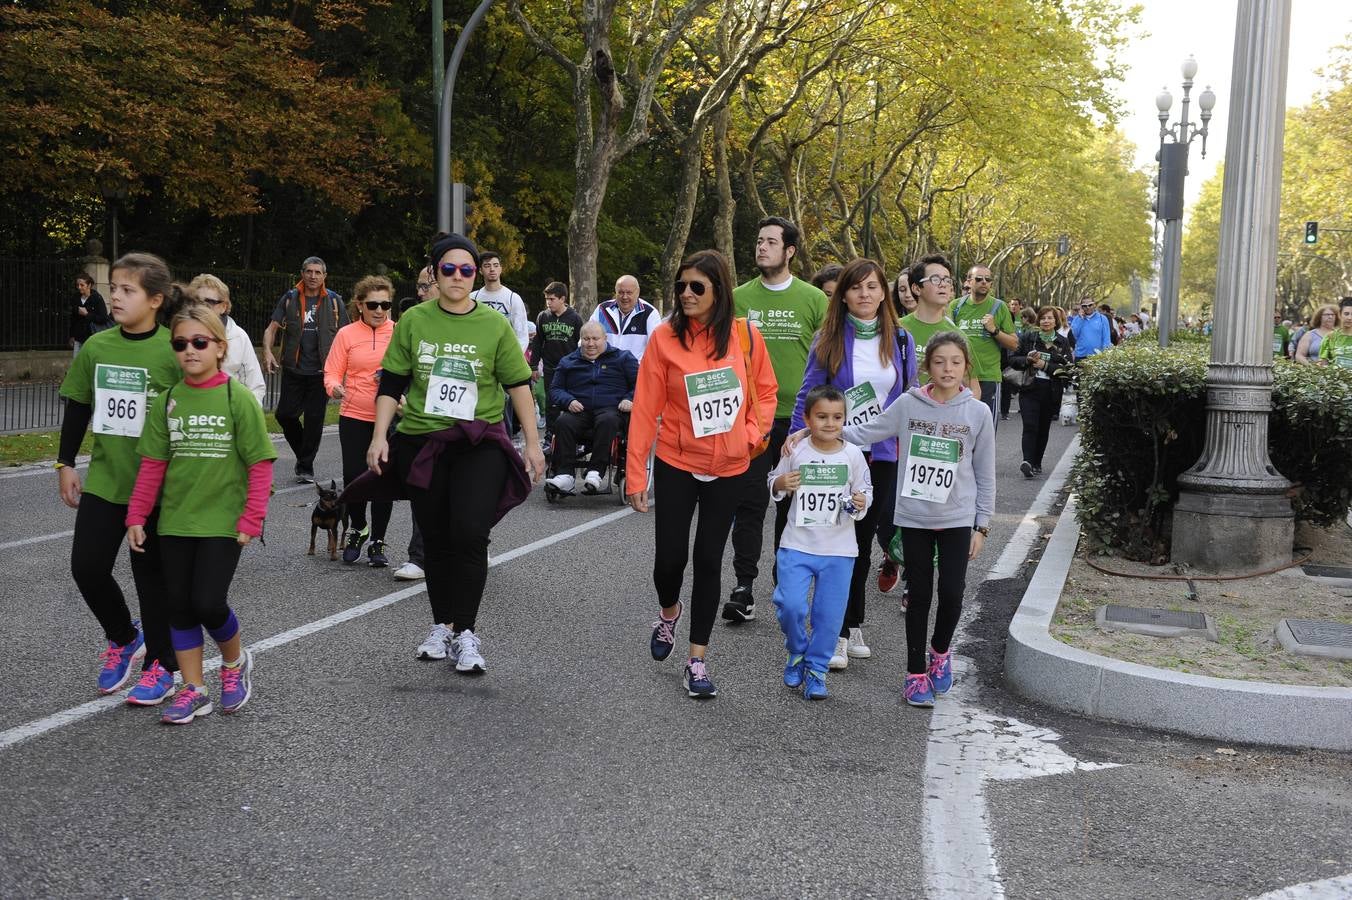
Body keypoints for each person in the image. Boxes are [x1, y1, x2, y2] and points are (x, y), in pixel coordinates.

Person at [365, 233, 545, 671]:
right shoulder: (413, 321)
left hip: (477, 442)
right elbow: (392, 382)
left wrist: (533, 443)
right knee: (437, 539)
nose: (459, 276)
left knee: (469, 533)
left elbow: (518, 384)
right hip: (424, 443)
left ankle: (466, 632)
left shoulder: (493, 324)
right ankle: (441, 626)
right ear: (434, 273)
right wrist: (379, 435)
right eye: (449, 269)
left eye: (468, 269)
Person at [626, 249, 777, 699]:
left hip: (731, 465)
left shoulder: (746, 336)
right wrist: (637, 475)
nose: (686, 294)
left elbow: (766, 392)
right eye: (681, 286)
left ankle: (697, 661)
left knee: (710, 561)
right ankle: (668, 613)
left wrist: (751, 435)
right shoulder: (664, 340)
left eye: (697, 287)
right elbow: (646, 408)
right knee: (669, 560)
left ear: (719, 291)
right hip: (677, 461)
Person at [126, 302, 276, 724]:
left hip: (223, 523)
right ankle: (194, 689)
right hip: (176, 522)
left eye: (199, 342)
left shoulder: (238, 398)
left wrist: (252, 518)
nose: (189, 350)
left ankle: (234, 663)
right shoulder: (169, 401)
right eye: (180, 343)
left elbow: (260, 464)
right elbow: (153, 465)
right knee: (179, 606)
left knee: (208, 602)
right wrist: (136, 516)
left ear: (219, 348)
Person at [841, 331, 995, 708]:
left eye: (955, 362)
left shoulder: (978, 412)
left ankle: (940, 653)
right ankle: (914, 673)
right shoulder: (908, 405)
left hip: (958, 517)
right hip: (914, 517)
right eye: (940, 361)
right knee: (919, 595)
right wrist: (816, 432)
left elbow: (985, 472)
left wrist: (982, 525)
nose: (947, 369)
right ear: (927, 366)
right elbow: (867, 431)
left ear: (965, 367)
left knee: (954, 592)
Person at [57, 252, 182, 703]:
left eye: (128, 290)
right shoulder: (97, 346)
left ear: (155, 299)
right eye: (114, 288)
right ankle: (123, 637)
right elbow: (78, 406)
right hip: (107, 481)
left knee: (152, 581)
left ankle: (161, 666)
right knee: (86, 567)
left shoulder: (174, 349)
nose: (116, 296)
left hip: (155, 489)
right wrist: (65, 462)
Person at [791, 258, 915, 669]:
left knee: (862, 542)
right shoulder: (828, 338)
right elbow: (808, 392)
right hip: (838, 453)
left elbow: (910, 397)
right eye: (857, 287)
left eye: (873, 287)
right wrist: (796, 437)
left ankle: (852, 622)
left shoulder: (900, 339)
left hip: (882, 455)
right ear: (843, 294)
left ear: (885, 293)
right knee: (840, 541)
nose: (865, 294)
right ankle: (838, 633)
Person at [726, 216, 827, 623]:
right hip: (752, 420)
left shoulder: (814, 300)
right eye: (758, 240)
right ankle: (743, 587)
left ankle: (784, 581)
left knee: (792, 508)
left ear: (789, 251)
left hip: (800, 423)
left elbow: (827, 359)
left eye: (771, 241)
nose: (761, 247)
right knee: (749, 503)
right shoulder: (736, 298)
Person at [770, 385, 872, 700]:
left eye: (837, 417)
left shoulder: (852, 454)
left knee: (828, 617)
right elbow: (773, 481)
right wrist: (779, 483)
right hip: (797, 544)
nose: (830, 423)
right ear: (807, 419)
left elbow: (866, 492)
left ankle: (816, 670)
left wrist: (859, 501)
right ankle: (797, 648)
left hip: (839, 550)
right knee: (790, 605)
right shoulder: (795, 450)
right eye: (822, 417)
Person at [324, 275, 396, 566]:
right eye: (373, 304)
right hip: (353, 414)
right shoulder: (347, 334)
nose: (379, 310)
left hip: (389, 417)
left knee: (383, 478)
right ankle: (357, 527)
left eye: (385, 304)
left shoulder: (400, 332)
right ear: (360, 304)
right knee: (354, 475)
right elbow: (331, 371)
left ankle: (377, 540)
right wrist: (334, 387)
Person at [262, 257, 347, 483]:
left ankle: (305, 467)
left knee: (314, 420)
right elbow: (271, 329)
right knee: (284, 414)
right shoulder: (289, 298)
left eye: (317, 272)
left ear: (324, 276)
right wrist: (268, 352)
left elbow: (348, 336)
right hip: (294, 370)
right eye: (309, 271)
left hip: (322, 372)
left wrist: (345, 370)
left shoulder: (335, 301)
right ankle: (304, 455)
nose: (312, 276)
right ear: (302, 273)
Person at [545, 321, 639, 494]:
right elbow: (555, 389)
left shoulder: (623, 358)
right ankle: (565, 474)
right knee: (563, 422)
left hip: (611, 409)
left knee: (608, 420)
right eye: (586, 339)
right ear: (581, 339)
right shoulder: (568, 361)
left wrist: (629, 398)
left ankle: (596, 471)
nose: (590, 343)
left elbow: (641, 384)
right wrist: (568, 400)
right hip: (579, 409)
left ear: (605, 338)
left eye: (595, 339)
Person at [392, 272, 438, 584]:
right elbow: (395, 371)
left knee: (461, 490)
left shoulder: (480, 320)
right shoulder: (411, 320)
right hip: (419, 422)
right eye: (419, 285)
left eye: (425, 285)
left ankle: (472, 541)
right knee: (422, 486)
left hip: (466, 425)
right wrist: (398, 398)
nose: (419, 291)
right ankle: (419, 556)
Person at [947, 264, 1017, 425]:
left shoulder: (999, 307)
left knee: (985, 431)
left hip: (988, 377)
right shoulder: (956, 307)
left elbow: (1014, 344)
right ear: (969, 281)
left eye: (988, 279)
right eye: (979, 279)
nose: (984, 282)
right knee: (958, 428)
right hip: (959, 378)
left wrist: (994, 330)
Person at [1010, 307, 1074, 478]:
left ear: (1056, 321)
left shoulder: (1062, 342)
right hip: (1030, 388)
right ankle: (1027, 461)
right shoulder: (1029, 338)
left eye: (1050, 318)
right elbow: (1013, 359)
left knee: (1043, 428)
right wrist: (1027, 360)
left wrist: (1045, 366)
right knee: (1030, 426)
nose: (1046, 321)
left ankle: (1037, 462)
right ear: (1038, 321)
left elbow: (1067, 369)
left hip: (1051, 391)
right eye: (1043, 318)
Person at [188, 274, 266, 403]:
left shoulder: (238, 337)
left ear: (223, 306)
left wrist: (244, 418)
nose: (201, 308)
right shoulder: (182, 337)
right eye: (197, 302)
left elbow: (255, 387)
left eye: (209, 303)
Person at [530, 281, 584, 436]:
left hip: (570, 368)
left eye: (552, 299)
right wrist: (533, 366)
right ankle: (550, 435)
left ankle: (572, 436)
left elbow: (580, 345)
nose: (548, 302)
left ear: (562, 299)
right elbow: (538, 342)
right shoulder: (543, 316)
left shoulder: (575, 318)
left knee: (571, 402)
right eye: (547, 299)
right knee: (551, 402)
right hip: (550, 368)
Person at [469, 251, 531, 351]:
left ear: (501, 269)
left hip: (505, 356)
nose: (492, 269)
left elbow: (522, 336)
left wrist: (512, 358)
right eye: (487, 266)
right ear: (480, 270)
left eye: (496, 265)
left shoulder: (513, 298)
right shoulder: (472, 298)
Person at [591, 275, 661, 362]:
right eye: (620, 292)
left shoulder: (650, 313)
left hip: (635, 371)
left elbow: (656, 349)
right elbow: (587, 340)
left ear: (638, 292)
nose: (624, 297)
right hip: (605, 370)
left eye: (629, 293)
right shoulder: (602, 310)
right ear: (615, 292)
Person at [69, 272, 110, 356]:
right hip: (78, 337)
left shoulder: (97, 298)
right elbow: (73, 319)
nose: (79, 287)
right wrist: (72, 335)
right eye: (77, 285)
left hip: (92, 337)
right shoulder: (75, 298)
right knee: (76, 363)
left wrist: (87, 314)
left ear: (89, 285)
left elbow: (103, 318)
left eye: (82, 285)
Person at [1316, 297, 1352, 368]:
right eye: (1346, 314)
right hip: (1336, 378)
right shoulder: (1330, 337)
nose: (1350, 318)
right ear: (1340, 314)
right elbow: (1322, 364)